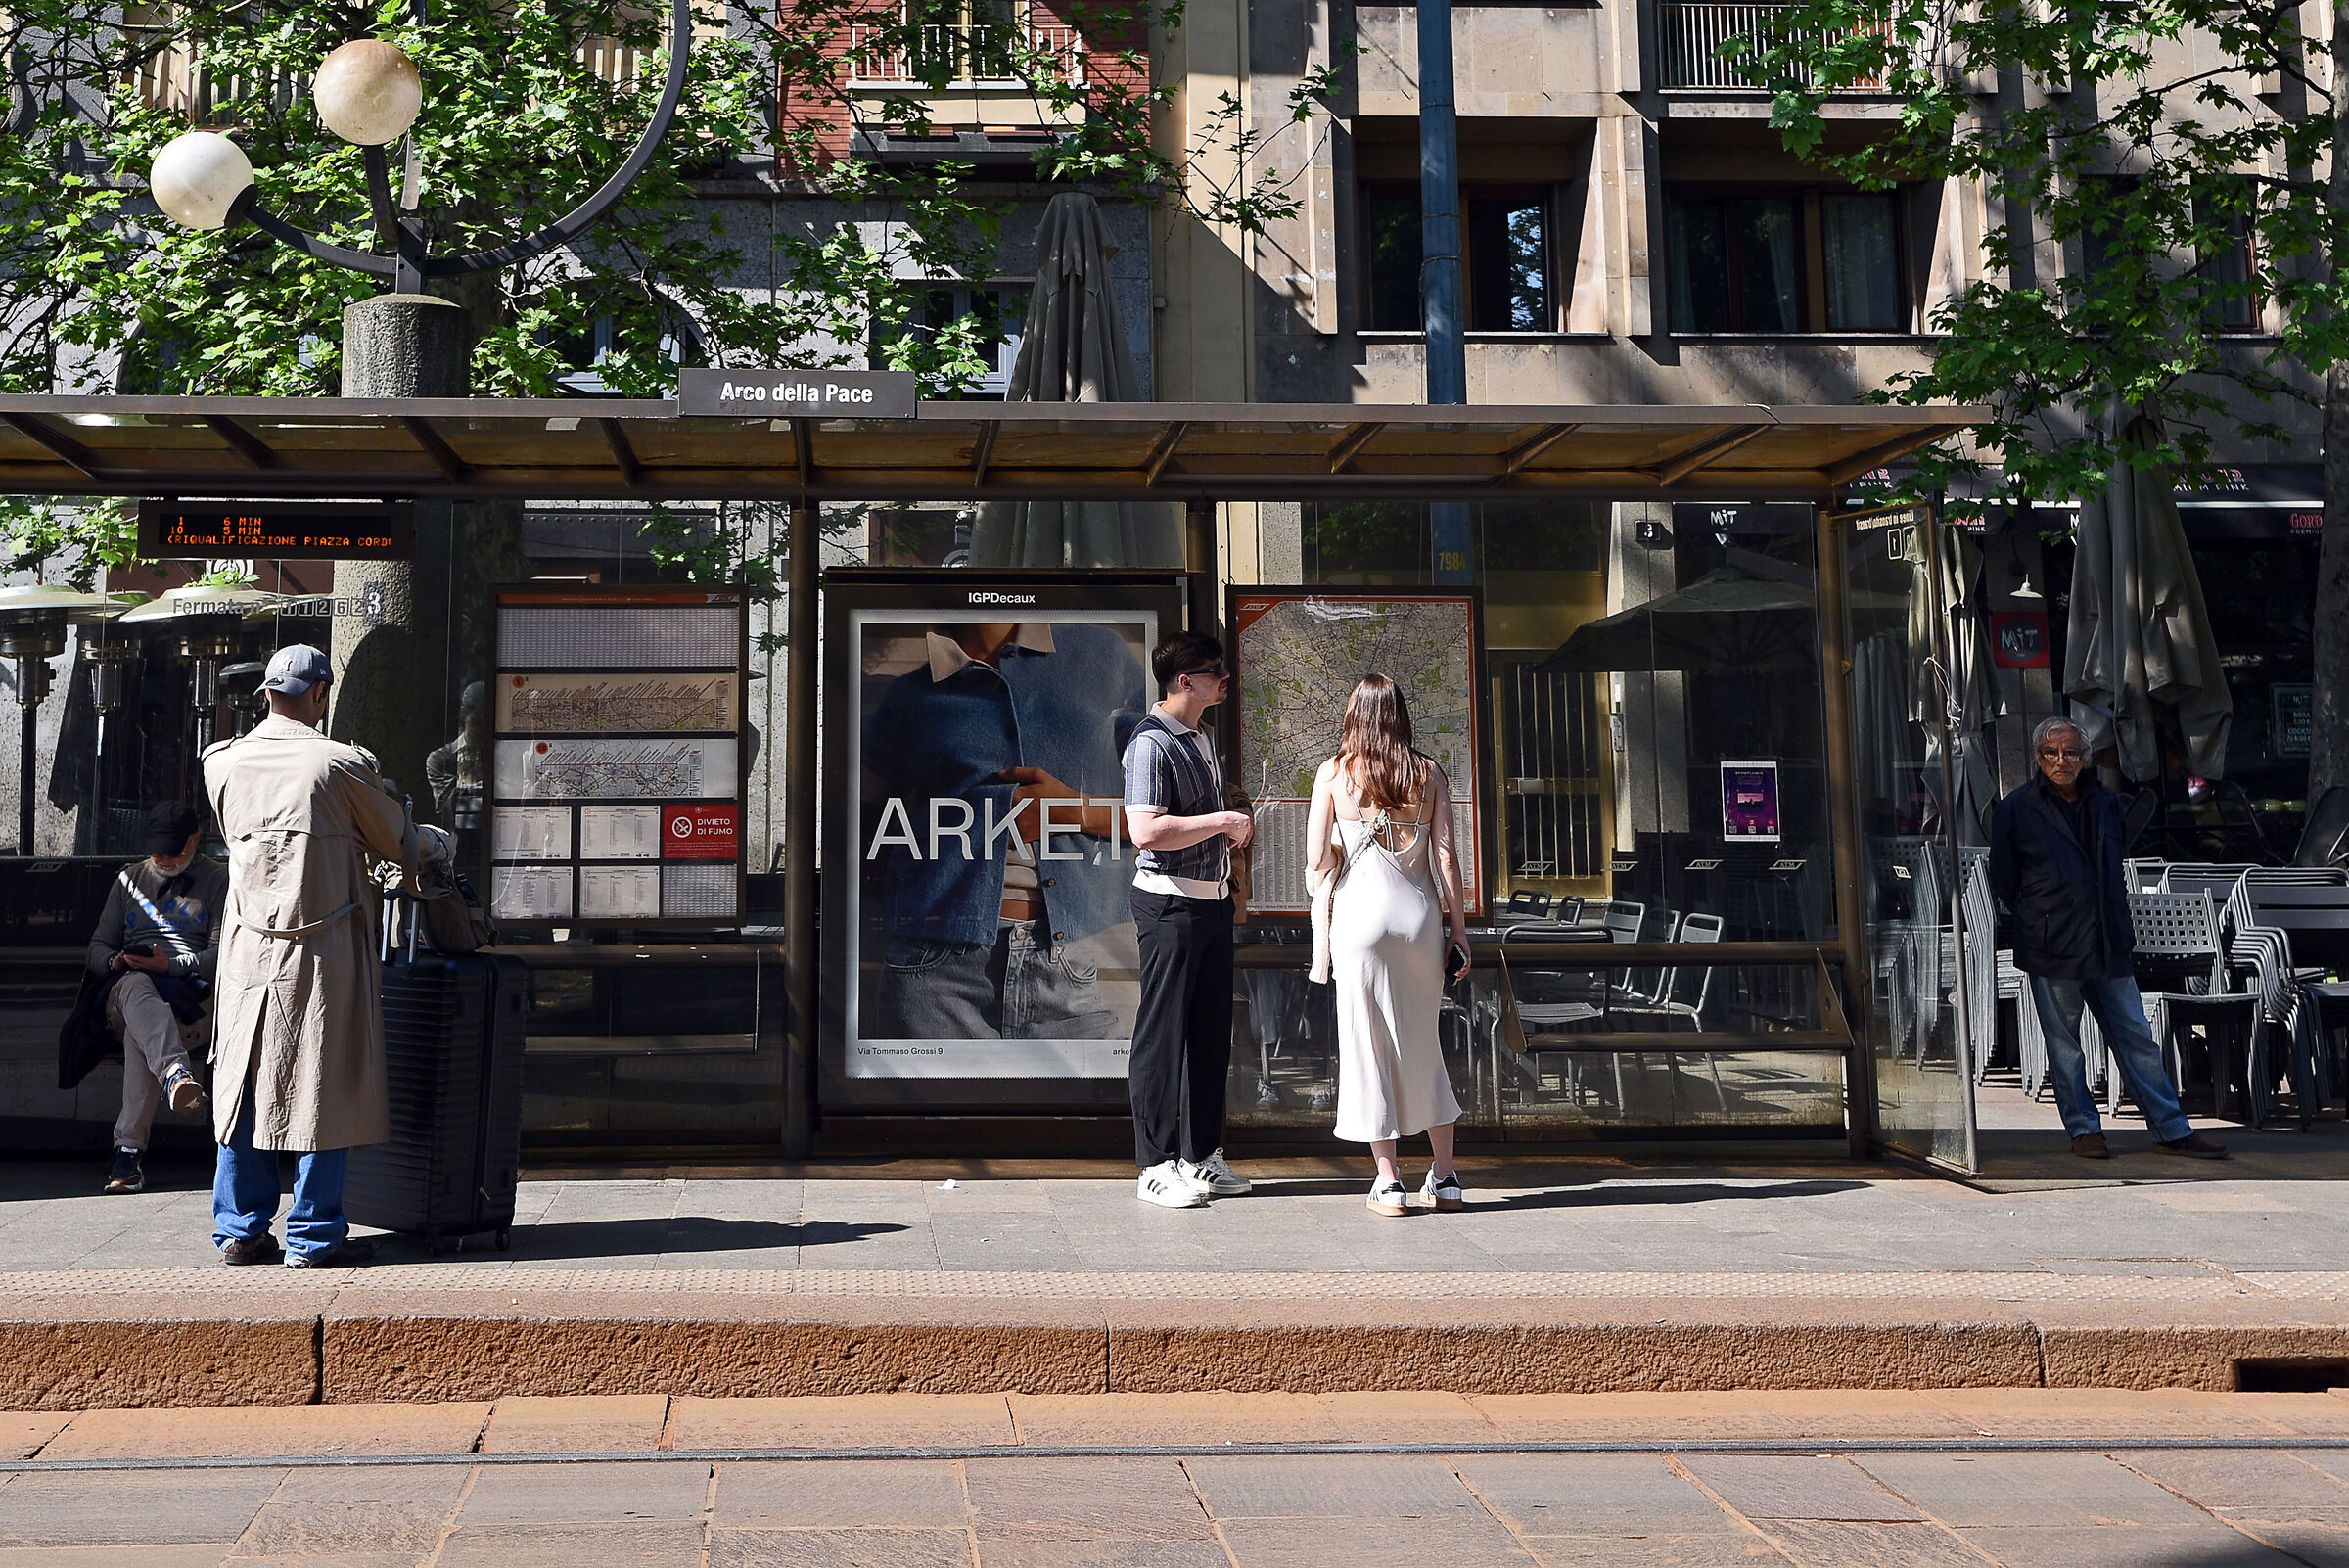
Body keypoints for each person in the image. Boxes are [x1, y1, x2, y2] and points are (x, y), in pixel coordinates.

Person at [202, 644, 423, 1267]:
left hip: (247, 949)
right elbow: (397, 841)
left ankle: (240, 1229)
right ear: (321, 695)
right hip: (323, 948)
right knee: (323, 1082)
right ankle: (313, 1234)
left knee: (241, 1081)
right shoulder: (340, 764)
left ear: (266, 694)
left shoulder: (222, 762)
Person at [859, 621, 1147, 1041]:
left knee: (1106, 1106)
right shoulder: (911, 695)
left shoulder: (1098, 651)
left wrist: (1075, 811)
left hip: (1077, 962)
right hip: (935, 967)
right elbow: (859, 823)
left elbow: (1180, 809)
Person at [1990, 714, 2229, 1161]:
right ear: (2039, 759)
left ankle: (2171, 1129)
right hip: (2053, 942)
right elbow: (2004, 878)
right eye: (2052, 752)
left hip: (2106, 938)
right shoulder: (2016, 809)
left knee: (2135, 1034)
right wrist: (2038, 913)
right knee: (2065, 1045)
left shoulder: (2105, 803)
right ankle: (2083, 1129)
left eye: (2071, 752)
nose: (2062, 760)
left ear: (2084, 757)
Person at [1307, 674, 1471, 1214]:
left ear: (1355, 714)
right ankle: (1445, 1178)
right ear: (1400, 714)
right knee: (1423, 1045)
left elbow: (1317, 862)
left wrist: (1338, 844)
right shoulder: (1427, 774)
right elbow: (1446, 861)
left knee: (1369, 1049)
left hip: (1359, 926)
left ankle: (1389, 1182)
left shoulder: (1333, 773)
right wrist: (1459, 932)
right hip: (1418, 923)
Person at [1122, 630, 1254, 1208]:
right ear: (1185, 681)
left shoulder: (1201, 737)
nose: (1223, 679)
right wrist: (1223, 821)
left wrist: (1229, 823)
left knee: (1207, 1034)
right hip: (1169, 901)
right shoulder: (1150, 744)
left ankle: (1202, 1158)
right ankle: (1155, 1163)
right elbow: (1145, 830)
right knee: (1163, 1033)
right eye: (1214, 671)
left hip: (1210, 899)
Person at [80, 801, 224, 1195]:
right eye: (156, 848)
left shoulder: (217, 881)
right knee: (136, 985)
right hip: (128, 993)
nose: (161, 858)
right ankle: (176, 1076)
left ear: (196, 840)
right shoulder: (128, 880)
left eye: (173, 849)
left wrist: (172, 967)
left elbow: (223, 953)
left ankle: (126, 1155)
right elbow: (95, 949)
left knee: (141, 1034)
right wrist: (117, 960)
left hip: (189, 1002)